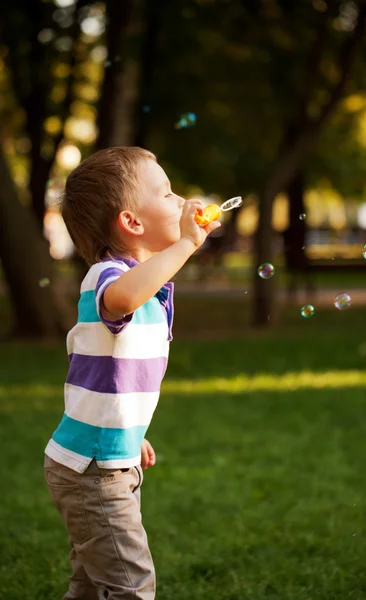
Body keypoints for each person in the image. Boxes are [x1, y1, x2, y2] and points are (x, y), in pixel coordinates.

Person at [43, 146, 221, 600]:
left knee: (90, 588)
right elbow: (120, 300)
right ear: (132, 223)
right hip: (94, 473)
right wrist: (185, 244)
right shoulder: (107, 276)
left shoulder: (144, 285)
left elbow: (106, 375)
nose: (182, 201)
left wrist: (127, 428)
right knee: (132, 588)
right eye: (167, 193)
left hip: (104, 461)